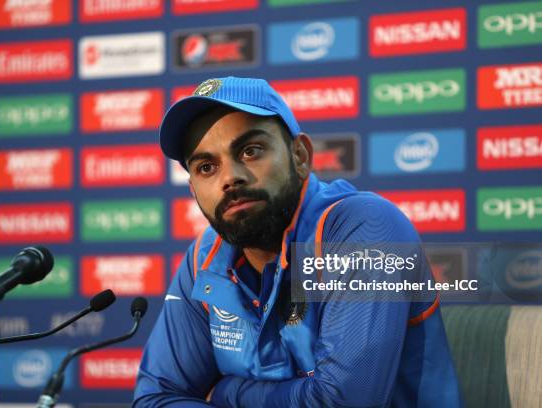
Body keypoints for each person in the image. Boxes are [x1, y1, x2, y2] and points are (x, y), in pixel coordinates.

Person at [133, 77, 462, 407]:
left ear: (300, 155)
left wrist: (227, 393)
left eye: (250, 151)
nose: (229, 177)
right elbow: (155, 398)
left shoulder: (365, 229)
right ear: (193, 190)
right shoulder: (204, 260)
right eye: (206, 167)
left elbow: (342, 402)